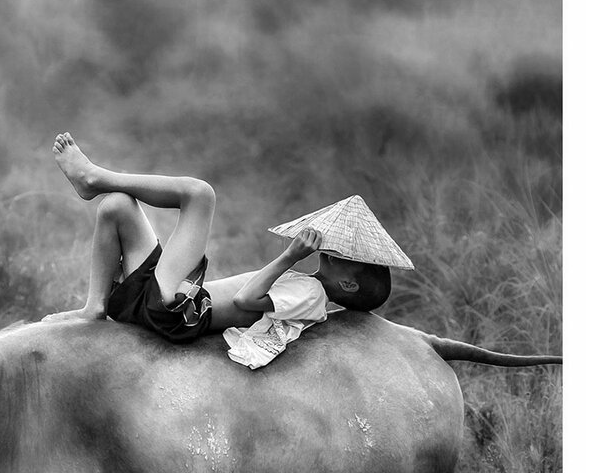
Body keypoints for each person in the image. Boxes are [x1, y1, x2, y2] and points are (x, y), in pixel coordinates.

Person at [43, 132, 397, 367]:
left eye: (346, 261)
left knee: (200, 195)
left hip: (180, 313)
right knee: (116, 207)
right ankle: (95, 306)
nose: (336, 255)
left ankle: (94, 177)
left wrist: (290, 256)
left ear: (348, 286)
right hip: (167, 300)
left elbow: (246, 300)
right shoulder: (309, 287)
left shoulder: (312, 294)